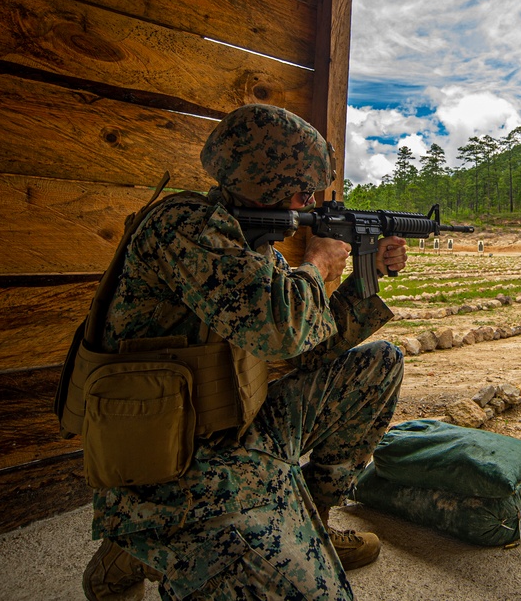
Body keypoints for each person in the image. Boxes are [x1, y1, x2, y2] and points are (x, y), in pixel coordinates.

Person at [80, 104, 406, 600]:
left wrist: (369, 273)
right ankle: (142, 534)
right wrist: (317, 263)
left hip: (239, 422)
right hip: (174, 461)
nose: (310, 202)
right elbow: (280, 329)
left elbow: (299, 352)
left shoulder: (253, 247)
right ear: (264, 181)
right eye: (302, 190)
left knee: (380, 362)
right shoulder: (183, 228)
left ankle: (309, 521)